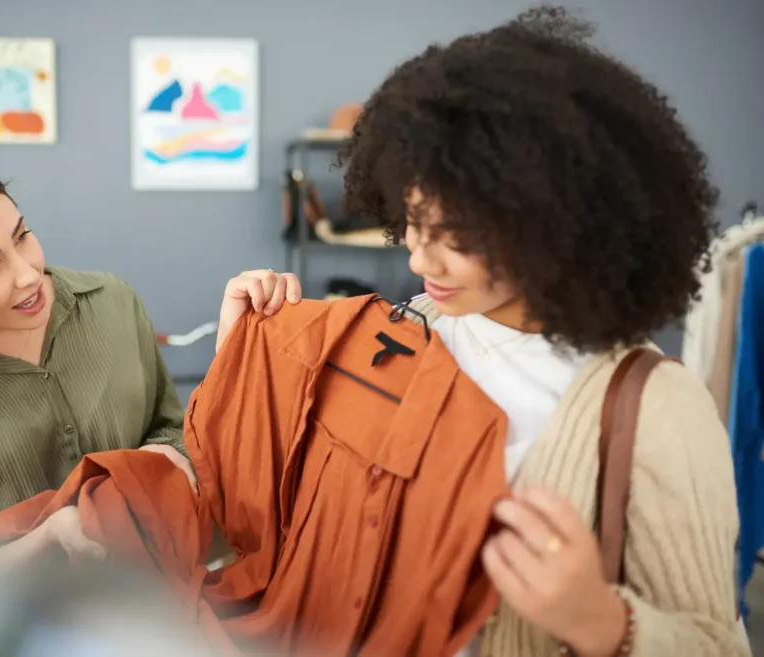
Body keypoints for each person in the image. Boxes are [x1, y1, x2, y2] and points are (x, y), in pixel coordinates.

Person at [216, 7, 747, 657]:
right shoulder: (409, 327)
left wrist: (602, 620)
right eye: (413, 221)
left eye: (456, 237)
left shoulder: (656, 405)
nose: (420, 260)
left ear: (555, 224)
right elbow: (275, 517)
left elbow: (716, 642)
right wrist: (243, 358)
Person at [0, 144, 252, 569]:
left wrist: (166, 454)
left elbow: (170, 427)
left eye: (22, 236)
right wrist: (42, 539)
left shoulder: (112, 300)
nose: (28, 275)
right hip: (31, 608)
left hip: (169, 588)